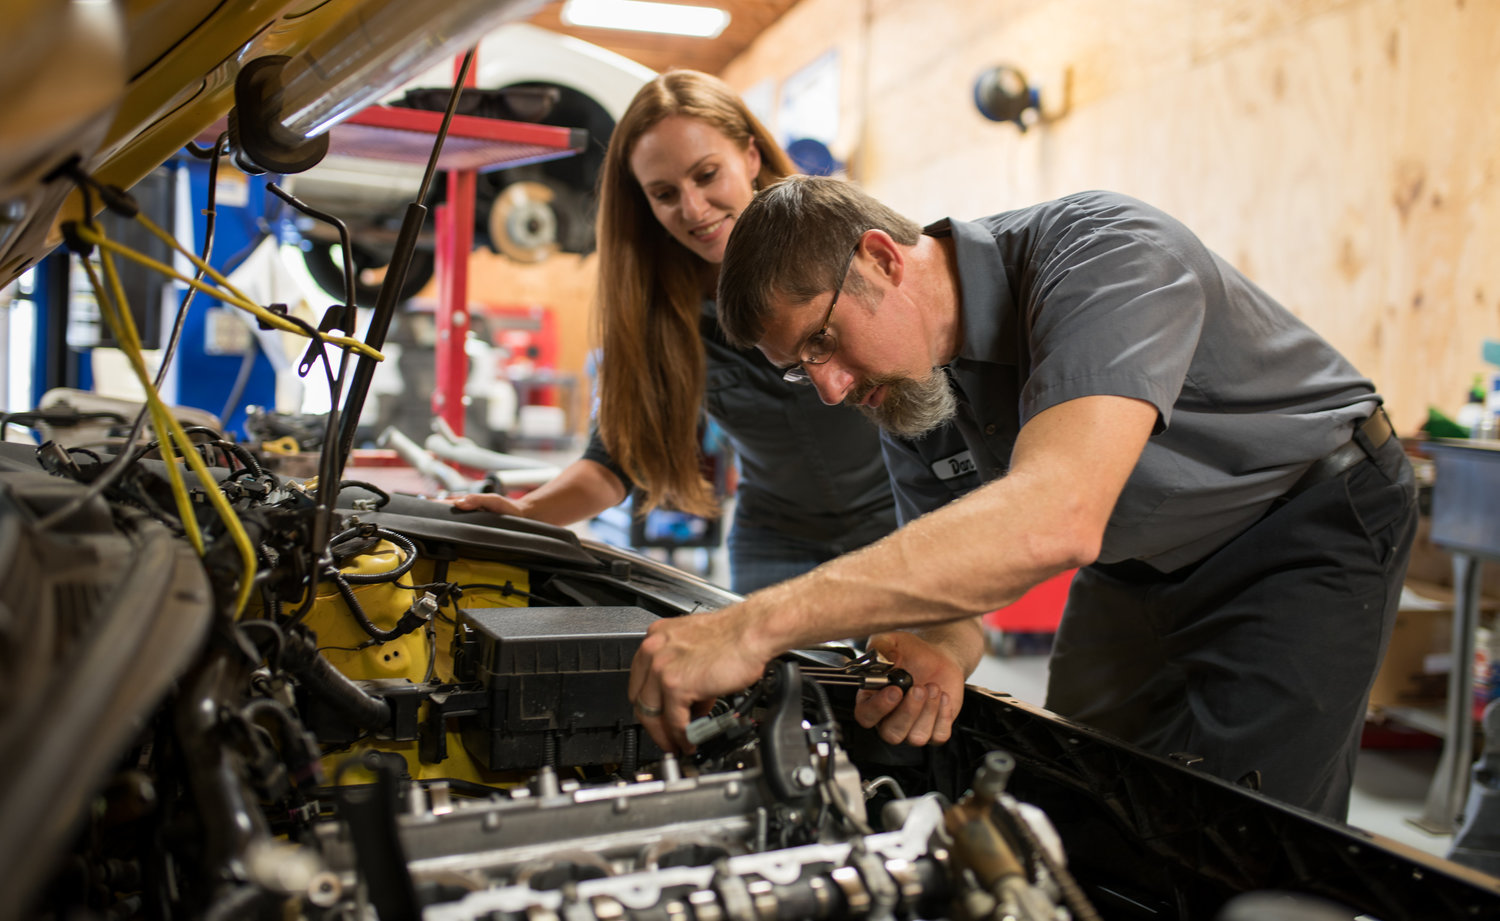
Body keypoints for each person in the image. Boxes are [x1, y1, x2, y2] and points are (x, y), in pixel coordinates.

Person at [627, 176, 1417, 820]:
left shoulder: (1106, 256)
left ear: (882, 259)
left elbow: (1055, 518)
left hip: (1304, 520)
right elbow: (951, 604)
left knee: (1245, 833)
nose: (828, 390)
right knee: (1073, 793)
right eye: (802, 367)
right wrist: (938, 647)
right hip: (1139, 560)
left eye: (823, 340)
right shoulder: (912, 396)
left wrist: (753, 624)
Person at [452, 73, 897, 594]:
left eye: (707, 174)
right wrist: (527, 512)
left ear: (750, 157)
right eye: (664, 194)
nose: (692, 208)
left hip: (901, 518)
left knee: (900, 674)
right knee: (770, 676)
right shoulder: (659, 308)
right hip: (776, 536)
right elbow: (615, 458)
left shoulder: (849, 249)